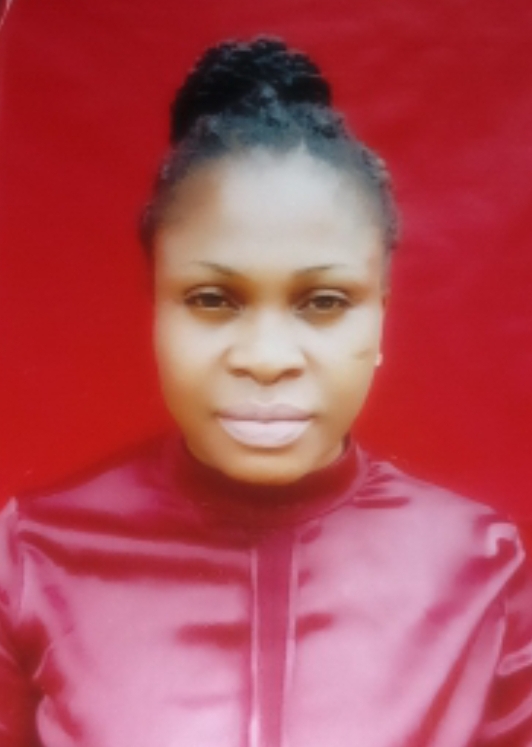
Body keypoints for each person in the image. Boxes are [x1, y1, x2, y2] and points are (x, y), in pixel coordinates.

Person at [0, 37, 531, 747]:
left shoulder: (481, 567)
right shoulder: (32, 557)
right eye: (212, 299)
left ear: (381, 314)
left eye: (324, 302)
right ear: (156, 307)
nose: (267, 358)